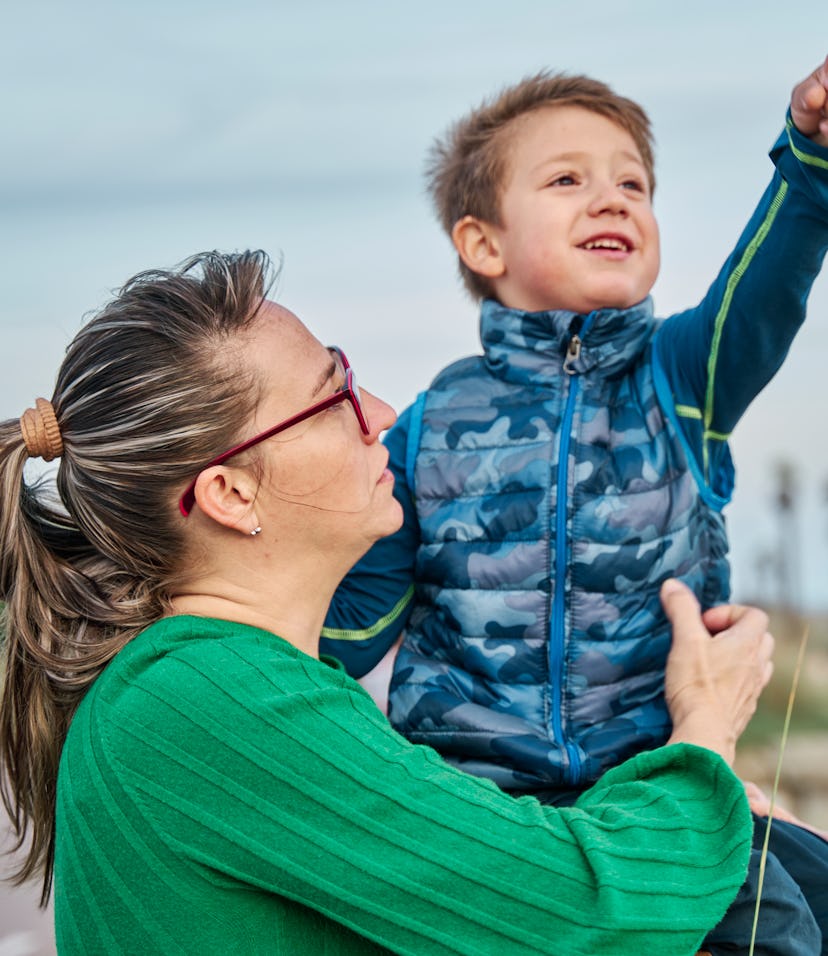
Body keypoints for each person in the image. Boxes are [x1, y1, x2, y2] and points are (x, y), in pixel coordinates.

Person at [0, 251, 775, 955]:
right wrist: (705, 730)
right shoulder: (211, 703)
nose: (380, 412)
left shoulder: (206, 690)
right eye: (330, 396)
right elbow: (588, 917)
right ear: (231, 494)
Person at [321, 61, 828, 953]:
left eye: (633, 182)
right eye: (568, 179)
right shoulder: (430, 422)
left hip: (660, 784)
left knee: (798, 905)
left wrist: (811, 163)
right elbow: (353, 622)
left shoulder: (680, 378)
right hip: (478, 800)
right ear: (483, 245)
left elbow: (763, 301)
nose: (612, 199)